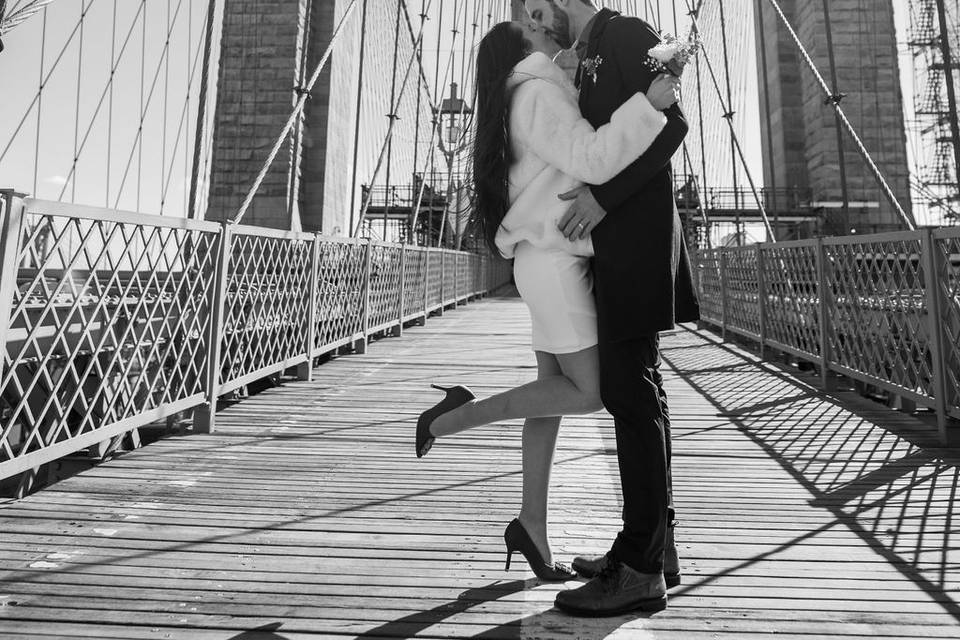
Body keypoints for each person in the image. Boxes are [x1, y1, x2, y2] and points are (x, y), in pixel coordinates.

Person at [414, 19, 679, 583]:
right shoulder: (536, 92)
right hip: (556, 264)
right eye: (530, 28)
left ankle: (531, 522)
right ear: (522, 54)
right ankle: (451, 418)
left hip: (540, 259)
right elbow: (590, 158)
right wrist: (649, 107)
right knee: (591, 393)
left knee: (549, 401)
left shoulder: (524, 94)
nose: (541, 27)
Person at [524, 0, 701, 616]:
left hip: (636, 238)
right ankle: (655, 546)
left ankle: (638, 567)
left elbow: (672, 124)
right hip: (617, 244)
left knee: (630, 395)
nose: (536, 19)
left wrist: (601, 199)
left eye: (539, 8)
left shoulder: (626, 34)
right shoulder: (588, 55)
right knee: (637, 393)